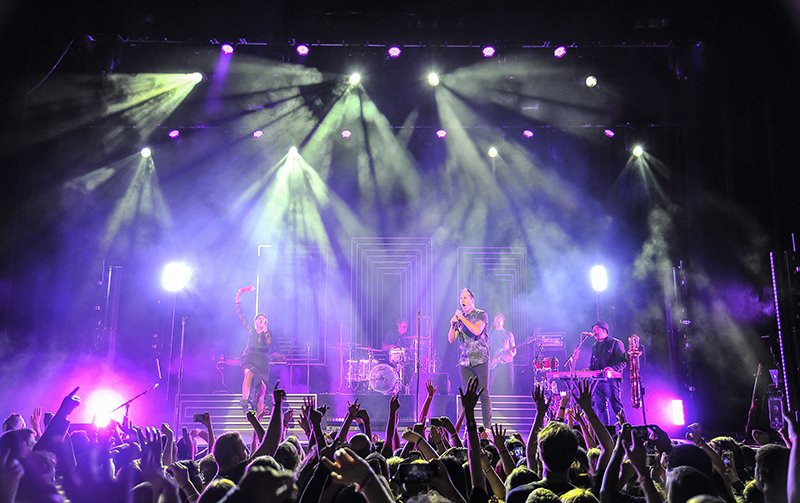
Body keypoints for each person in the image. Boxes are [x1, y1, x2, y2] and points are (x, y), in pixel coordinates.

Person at [448, 287, 492, 427]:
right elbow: (451, 339)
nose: (462, 300)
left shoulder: (481, 314)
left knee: (484, 394)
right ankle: (470, 427)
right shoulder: (460, 319)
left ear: (472, 300)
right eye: (461, 298)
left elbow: (477, 330)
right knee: (467, 396)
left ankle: (487, 428)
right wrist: (453, 325)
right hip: (465, 361)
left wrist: (461, 318)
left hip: (480, 359)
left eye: (465, 297)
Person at [235, 286, 281, 414]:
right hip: (251, 357)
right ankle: (244, 401)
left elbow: (269, 343)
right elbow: (240, 314)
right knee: (248, 373)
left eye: (264, 320)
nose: (262, 321)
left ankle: (259, 414)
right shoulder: (251, 329)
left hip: (263, 360)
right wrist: (239, 294)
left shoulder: (268, 333)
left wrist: (265, 331)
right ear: (256, 322)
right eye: (260, 319)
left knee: (262, 389)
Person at [588, 320, 628, 425]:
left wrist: (612, 368)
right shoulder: (594, 346)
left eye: (596, 329)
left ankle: (625, 431)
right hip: (597, 381)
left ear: (604, 331)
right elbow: (593, 364)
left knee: (616, 406)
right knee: (600, 408)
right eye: (593, 330)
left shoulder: (615, 343)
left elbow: (623, 362)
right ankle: (605, 434)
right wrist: (589, 370)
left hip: (611, 380)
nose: (594, 332)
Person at [489, 313, 516, 394]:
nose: (497, 321)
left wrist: (512, 354)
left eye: (499, 319)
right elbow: (487, 348)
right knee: (491, 384)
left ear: (503, 322)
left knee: (510, 384)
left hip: (507, 361)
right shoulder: (490, 334)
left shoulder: (509, 334)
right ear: (494, 321)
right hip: (494, 362)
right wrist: (490, 358)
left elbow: (514, 348)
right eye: (496, 319)